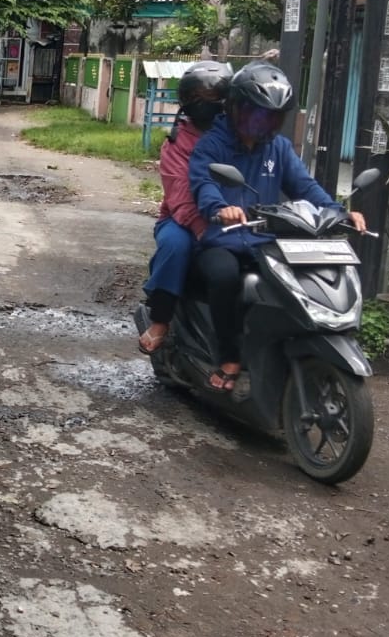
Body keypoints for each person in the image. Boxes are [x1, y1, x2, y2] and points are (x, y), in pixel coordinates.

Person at [187, 61, 368, 391]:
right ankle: (228, 356)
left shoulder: (279, 148)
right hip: (222, 240)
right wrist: (220, 208)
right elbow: (203, 183)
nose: (264, 123)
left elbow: (305, 187)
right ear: (235, 108)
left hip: (264, 241)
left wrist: (339, 211)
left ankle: (285, 349)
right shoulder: (212, 145)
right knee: (225, 276)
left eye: (272, 116)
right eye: (257, 114)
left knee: (297, 279)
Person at [138, 60, 232, 355]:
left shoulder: (238, 137)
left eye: (214, 98)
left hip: (234, 220)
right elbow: (179, 196)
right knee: (176, 246)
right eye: (197, 98)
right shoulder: (177, 142)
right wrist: (205, 229)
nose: (206, 105)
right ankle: (161, 320)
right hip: (181, 220)